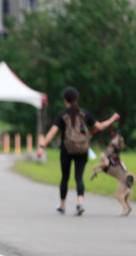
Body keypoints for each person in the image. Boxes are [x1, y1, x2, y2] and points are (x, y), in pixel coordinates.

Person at [37, 87, 119, 215]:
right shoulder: (85, 113)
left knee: (65, 178)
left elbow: (52, 132)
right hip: (82, 149)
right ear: (77, 99)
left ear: (65, 100)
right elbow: (100, 126)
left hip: (66, 150)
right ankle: (79, 203)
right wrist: (112, 119)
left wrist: (42, 147)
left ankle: (62, 205)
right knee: (79, 177)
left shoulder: (62, 115)